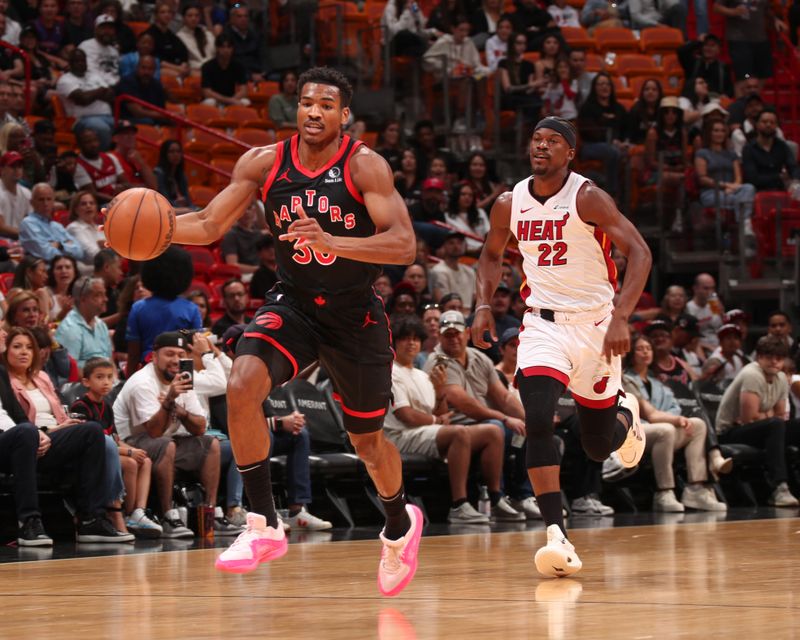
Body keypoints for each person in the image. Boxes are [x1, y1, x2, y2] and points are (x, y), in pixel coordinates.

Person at [170, 67, 422, 593]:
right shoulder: (263, 163)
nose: (314, 111)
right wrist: (154, 229)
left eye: (326, 105)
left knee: (368, 441)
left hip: (355, 314)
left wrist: (336, 243)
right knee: (242, 383)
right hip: (295, 302)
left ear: (343, 114)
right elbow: (211, 224)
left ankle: (399, 524)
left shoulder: (365, 166)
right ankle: (263, 523)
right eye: (307, 102)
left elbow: (402, 245)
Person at [471, 116, 652, 578]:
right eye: (537, 140)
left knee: (595, 447)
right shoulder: (510, 202)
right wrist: (483, 306)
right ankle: (556, 533)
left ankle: (624, 417)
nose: (542, 147)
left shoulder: (587, 196)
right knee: (536, 418)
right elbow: (492, 255)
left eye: (553, 142)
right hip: (543, 326)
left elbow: (641, 253)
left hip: (595, 326)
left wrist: (622, 317)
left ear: (570, 153)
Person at [386, 314, 502, 524]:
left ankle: (495, 499)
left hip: (421, 433)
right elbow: (407, 415)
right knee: (459, 432)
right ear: (395, 342)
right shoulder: (391, 372)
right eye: (405, 338)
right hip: (399, 436)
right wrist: (437, 422)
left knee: (493, 431)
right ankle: (459, 505)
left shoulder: (421, 375)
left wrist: (439, 394)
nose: (411, 343)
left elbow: (438, 412)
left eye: (415, 338)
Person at [114, 330, 222, 536]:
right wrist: (170, 399)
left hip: (165, 442)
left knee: (211, 444)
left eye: (181, 355)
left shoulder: (183, 378)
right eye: (169, 354)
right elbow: (154, 432)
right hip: (131, 444)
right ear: (154, 357)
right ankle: (168, 515)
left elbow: (199, 428)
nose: (176, 360)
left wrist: (181, 412)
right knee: (166, 444)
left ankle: (210, 514)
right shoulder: (142, 382)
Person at [622, 335, 725, 511]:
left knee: (698, 425)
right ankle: (664, 492)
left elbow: (674, 408)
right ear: (632, 353)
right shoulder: (626, 379)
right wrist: (675, 419)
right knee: (667, 429)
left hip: (662, 430)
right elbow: (651, 415)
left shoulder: (658, 382)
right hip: (635, 431)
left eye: (648, 348)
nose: (646, 352)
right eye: (640, 348)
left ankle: (695, 489)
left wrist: (676, 418)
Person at [70, 357, 162, 537]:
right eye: (99, 377)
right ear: (86, 382)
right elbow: (97, 444)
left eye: (109, 377)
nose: (106, 382)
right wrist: (128, 451)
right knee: (130, 463)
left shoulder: (106, 406)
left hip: (111, 450)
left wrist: (134, 450)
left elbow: (114, 439)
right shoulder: (80, 406)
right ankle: (122, 513)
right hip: (92, 455)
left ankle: (138, 512)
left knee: (145, 460)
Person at [716, 335, 799, 507]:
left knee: (796, 425)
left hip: (761, 429)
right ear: (759, 357)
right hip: (729, 432)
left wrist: (767, 416)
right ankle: (779, 488)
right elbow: (750, 419)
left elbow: (781, 415)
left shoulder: (782, 378)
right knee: (775, 426)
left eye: (779, 358)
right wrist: (769, 416)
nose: (774, 362)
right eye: (769, 357)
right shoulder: (752, 374)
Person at [125, 246, 201, 368]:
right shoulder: (191, 309)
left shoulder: (138, 308)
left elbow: (133, 354)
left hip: (148, 369)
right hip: (180, 369)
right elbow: (195, 351)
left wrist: (129, 382)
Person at [54, 275, 112, 369]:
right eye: (98, 295)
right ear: (83, 299)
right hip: (82, 382)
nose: (106, 299)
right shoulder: (70, 328)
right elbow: (70, 371)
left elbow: (110, 360)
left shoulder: (101, 325)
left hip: (105, 379)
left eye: (104, 294)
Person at [19, 183, 84, 262]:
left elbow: (80, 252)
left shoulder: (57, 226)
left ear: (53, 201)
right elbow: (47, 254)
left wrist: (60, 246)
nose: (45, 203)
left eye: (49, 199)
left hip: (66, 268)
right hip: (45, 270)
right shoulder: (28, 223)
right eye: (41, 200)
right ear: (32, 202)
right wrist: (67, 246)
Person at [742, 109, 800, 193]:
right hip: (756, 192)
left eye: (772, 122)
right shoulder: (749, 148)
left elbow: (793, 168)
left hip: (780, 190)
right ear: (757, 124)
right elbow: (752, 178)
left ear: (776, 125)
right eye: (764, 122)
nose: (768, 125)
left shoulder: (782, 146)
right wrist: (778, 176)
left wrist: (795, 181)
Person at [74, 129, 130, 204]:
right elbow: (93, 194)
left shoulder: (110, 157)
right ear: (79, 145)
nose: (93, 144)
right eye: (88, 142)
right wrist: (118, 200)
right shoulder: (78, 166)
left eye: (95, 140)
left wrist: (123, 188)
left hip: (119, 199)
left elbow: (126, 183)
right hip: (100, 204)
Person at [201, 33, 249, 108]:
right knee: (209, 102)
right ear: (217, 48)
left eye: (229, 47)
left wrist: (233, 100)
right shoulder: (207, 67)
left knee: (245, 102)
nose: (226, 50)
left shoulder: (238, 66)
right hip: (216, 100)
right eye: (222, 47)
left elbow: (244, 91)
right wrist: (228, 100)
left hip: (232, 99)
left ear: (233, 48)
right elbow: (207, 92)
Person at [429, 231, 476, 308]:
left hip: (470, 315)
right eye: (451, 243)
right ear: (444, 246)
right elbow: (443, 302)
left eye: (459, 243)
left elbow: (475, 297)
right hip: (450, 315)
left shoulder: (470, 271)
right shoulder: (438, 271)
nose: (456, 246)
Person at [220, 198, 265, 275]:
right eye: (242, 210)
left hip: (260, 273)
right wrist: (261, 270)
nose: (246, 212)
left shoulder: (260, 234)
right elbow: (232, 265)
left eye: (249, 208)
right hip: (243, 275)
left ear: (254, 211)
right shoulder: (231, 235)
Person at [66, 190, 105, 271]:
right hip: (87, 270)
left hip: (105, 267)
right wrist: (106, 248)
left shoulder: (100, 228)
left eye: (92, 203)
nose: (88, 206)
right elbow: (93, 254)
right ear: (76, 209)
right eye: (84, 204)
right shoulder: (74, 228)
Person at [686, 272, 724, 351]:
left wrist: (722, 314)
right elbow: (688, 338)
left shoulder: (714, 304)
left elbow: (719, 327)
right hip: (699, 348)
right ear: (695, 288)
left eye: (712, 288)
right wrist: (708, 347)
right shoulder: (688, 308)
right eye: (706, 288)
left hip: (717, 345)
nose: (710, 292)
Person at [154, 139, 193, 212]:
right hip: (167, 209)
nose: (176, 154)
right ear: (165, 154)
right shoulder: (159, 173)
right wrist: (178, 203)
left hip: (182, 209)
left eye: (178, 151)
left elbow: (188, 200)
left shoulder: (182, 175)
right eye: (171, 152)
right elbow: (163, 200)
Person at [0, 150, 31, 237]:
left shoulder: (26, 193)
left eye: (20, 166)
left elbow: (29, 222)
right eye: (13, 166)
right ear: (2, 170)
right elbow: (1, 227)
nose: (17, 170)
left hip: (19, 241)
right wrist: (26, 234)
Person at [177, 3, 216, 72]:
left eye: (196, 15)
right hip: (195, 70)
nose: (193, 18)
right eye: (190, 16)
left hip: (212, 68)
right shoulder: (179, 36)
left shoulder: (206, 32)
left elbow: (214, 51)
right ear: (184, 18)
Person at [249, 235, 278, 299]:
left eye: (273, 247)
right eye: (267, 248)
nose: (271, 250)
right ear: (259, 253)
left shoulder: (285, 271)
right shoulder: (259, 275)